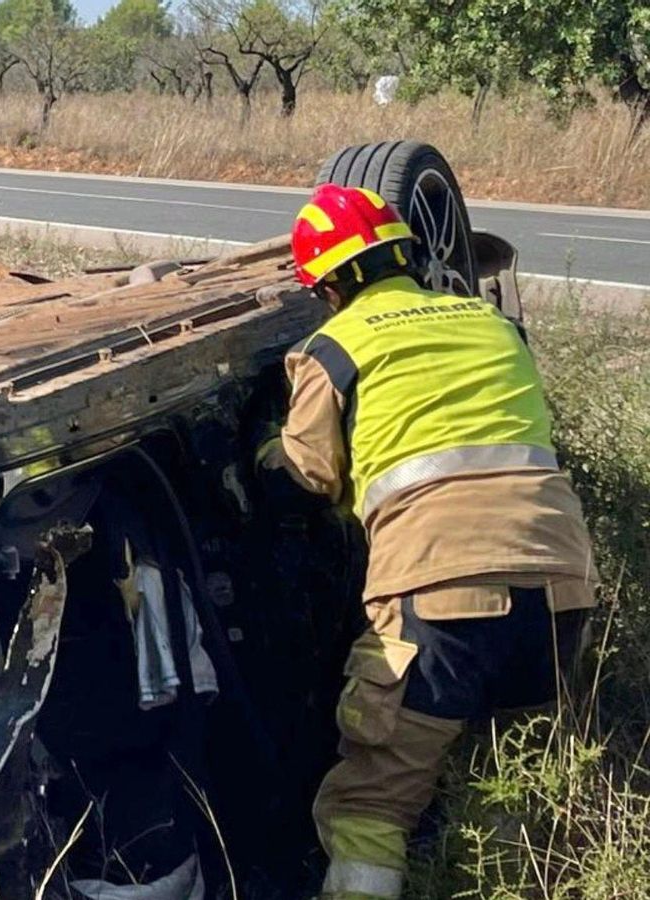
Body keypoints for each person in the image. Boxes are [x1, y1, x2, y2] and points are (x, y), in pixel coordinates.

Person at [264, 184, 596, 900]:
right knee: (511, 772)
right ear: (405, 255)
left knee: (373, 800)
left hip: (439, 593)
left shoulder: (336, 346)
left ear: (327, 284)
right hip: (564, 581)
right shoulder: (489, 323)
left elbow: (310, 475)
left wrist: (262, 456)